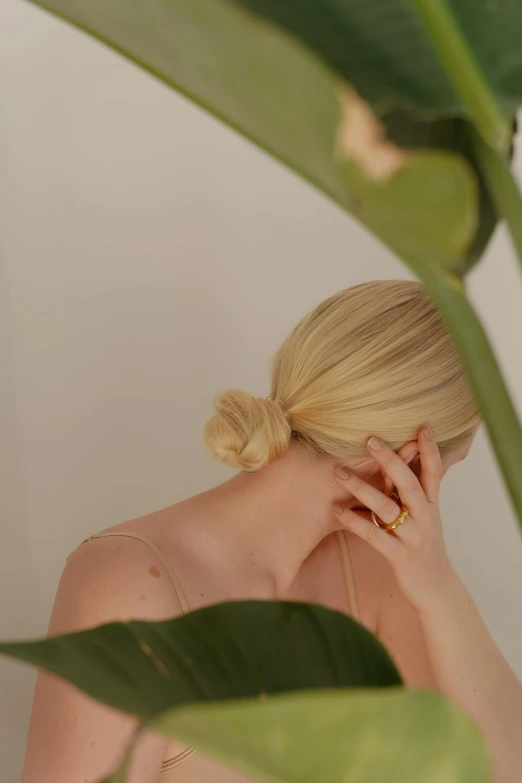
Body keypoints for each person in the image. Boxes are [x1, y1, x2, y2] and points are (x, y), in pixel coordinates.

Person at [21, 280, 522, 783]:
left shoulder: (379, 571)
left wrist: (441, 591)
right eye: (445, 469)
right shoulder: (127, 586)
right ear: (407, 463)